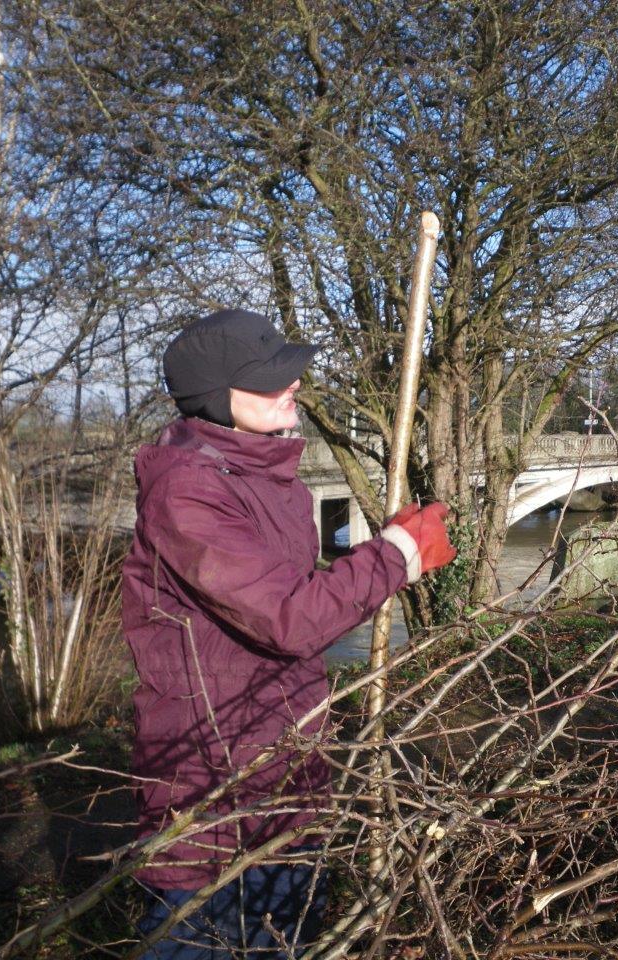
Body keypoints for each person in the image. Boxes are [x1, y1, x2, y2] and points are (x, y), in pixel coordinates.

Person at [121, 308, 456, 958]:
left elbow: (292, 601)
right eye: (270, 379)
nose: (293, 386)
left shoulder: (277, 484)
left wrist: (382, 554)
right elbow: (290, 619)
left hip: (289, 778)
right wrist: (396, 555)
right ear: (220, 399)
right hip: (209, 800)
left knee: (290, 942)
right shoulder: (185, 495)